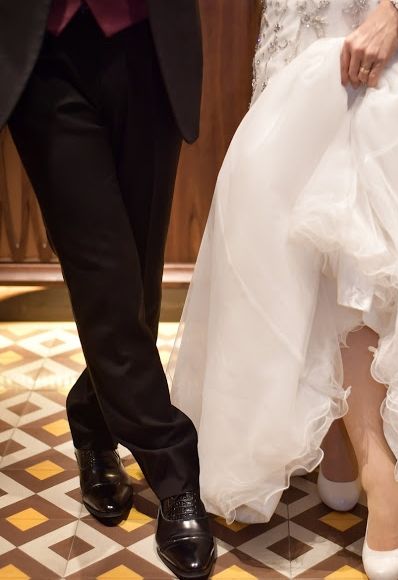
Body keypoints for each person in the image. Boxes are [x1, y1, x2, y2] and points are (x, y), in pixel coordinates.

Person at [168, 0, 398, 578]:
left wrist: (394, 12)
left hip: (389, 31)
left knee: (368, 234)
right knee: (304, 228)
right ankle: (346, 434)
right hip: (299, 24)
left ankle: (381, 471)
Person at [0, 1, 215, 578]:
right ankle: (175, 472)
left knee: (137, 285)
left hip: (149, 44)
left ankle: (93, 419)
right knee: (105, 279)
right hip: (42, 53)